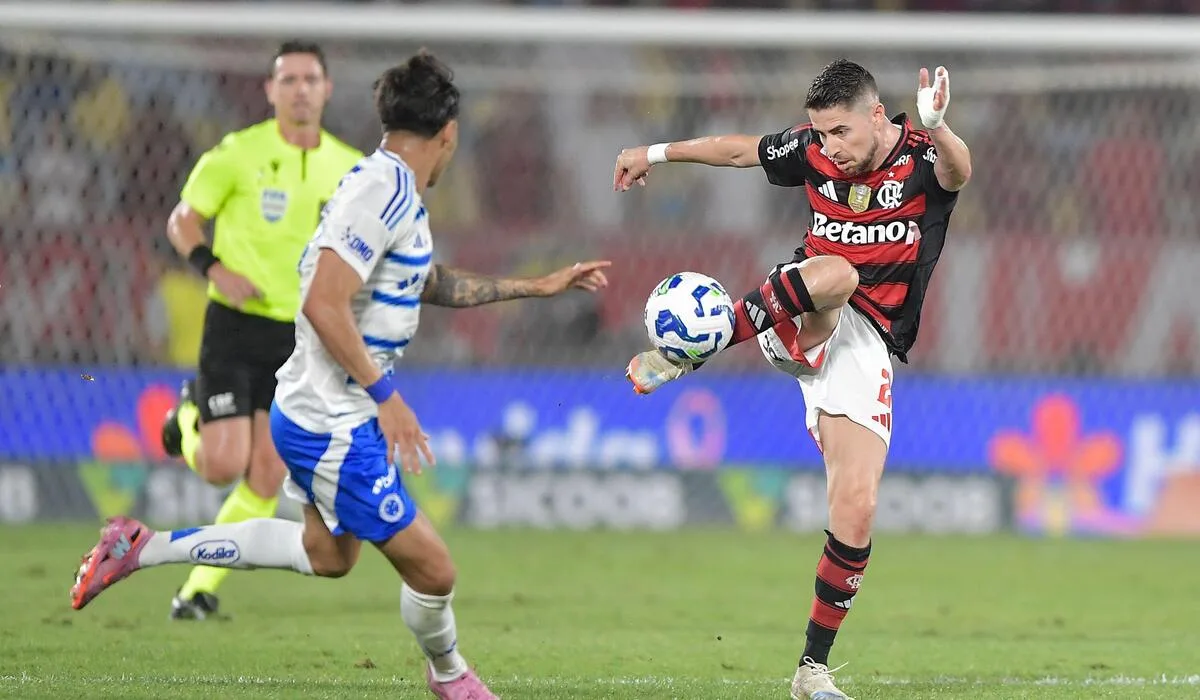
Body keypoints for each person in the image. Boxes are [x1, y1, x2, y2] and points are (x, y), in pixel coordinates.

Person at [72, 50, 610, 700]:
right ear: (448, 134)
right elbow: (323, 301)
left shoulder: (384, 185)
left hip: (317, 408)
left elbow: (425, 282)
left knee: (328, 555)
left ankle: (141, 547)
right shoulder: (379, 195)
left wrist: (536, 287)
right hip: (333, 419)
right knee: (435, 571)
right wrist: (388, 398)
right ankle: (450, 678)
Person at [613, 59, 972, 700]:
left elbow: (958, 172)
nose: (829, 147)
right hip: (800, 307)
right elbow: (736, 152)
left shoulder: (921, 159)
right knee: (838, 272)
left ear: (874, 115)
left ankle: (811, 670)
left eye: (839, 133)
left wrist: (940, 126)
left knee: (856, 508)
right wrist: (654, 151)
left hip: (869, 345)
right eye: (820, 134)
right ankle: (711, 338)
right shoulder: (813, 151)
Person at [159, 40, 364, 620]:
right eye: (289, 79)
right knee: (223, 465)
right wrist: (214, 269)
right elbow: (184, 220)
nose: (300, 89)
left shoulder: (348, 167)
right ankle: (186, 419)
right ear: (270, 90)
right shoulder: (237, 153)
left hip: (299, 336)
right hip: (235, 324)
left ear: (326, 89)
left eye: (310, 79)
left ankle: (197, 590)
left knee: (268, 472)